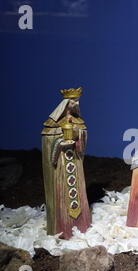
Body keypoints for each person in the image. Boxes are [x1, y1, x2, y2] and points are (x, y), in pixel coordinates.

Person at [41, 87, 91, 239]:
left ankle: (81, 224)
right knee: (62, 194)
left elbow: (83, 138)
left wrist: (78, 134)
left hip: (75, 161)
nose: (76, 104)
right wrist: (59, 143)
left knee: (78, 193)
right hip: (61, 165)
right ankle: (63, 227)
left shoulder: (78, 121)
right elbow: (48, 140)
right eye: (73, 101)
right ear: (65, 103)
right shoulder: (53, 123)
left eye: (77, 101)